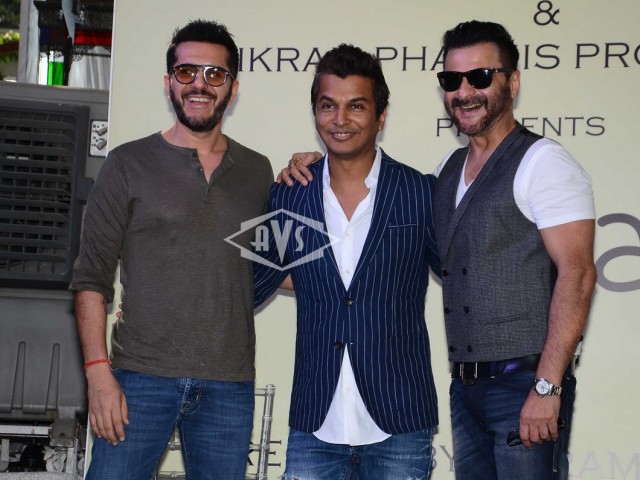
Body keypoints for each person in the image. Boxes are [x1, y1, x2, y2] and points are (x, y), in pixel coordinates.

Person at [70, 20, 273, 479]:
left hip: (229, 385)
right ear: (168, 83)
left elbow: (273, 263)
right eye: (186, 72)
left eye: (214, 74)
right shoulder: (126, 163)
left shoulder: (258, 170)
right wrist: (98, 373)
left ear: (233, 88)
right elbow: (91, 278)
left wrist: (315, 168)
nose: (200, 84)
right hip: (138, 379)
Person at [253, 44, 440, 480]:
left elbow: (462, 277)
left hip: (400, 420)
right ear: (315, 113)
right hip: (315, 423)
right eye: (328, 106)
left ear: (381, 115)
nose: (340, 119)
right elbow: (255, 279)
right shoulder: (289, 194)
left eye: (356, 106)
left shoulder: (420, 192)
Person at [432, 20, 596, 480]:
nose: (464, 92)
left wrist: (547, 387)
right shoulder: (448, 168)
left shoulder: (543, 162)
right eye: (452, 80)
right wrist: (323, 165)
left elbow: (578, 274)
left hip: (526, 386)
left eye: (480, 77)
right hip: (465, 391)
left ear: (513, 82)